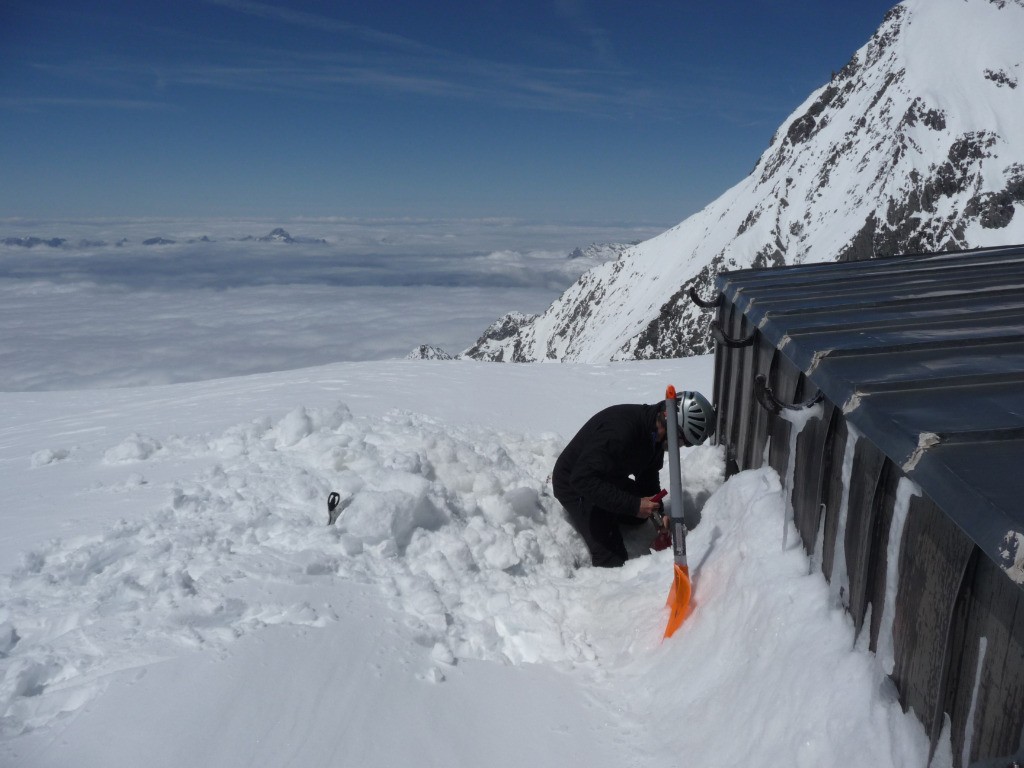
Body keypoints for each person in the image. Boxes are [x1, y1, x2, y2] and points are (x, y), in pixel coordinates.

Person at [552, 391, 715, 568]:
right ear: (669, 420)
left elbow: (648, 476)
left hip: (606, 477)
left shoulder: (656, 435)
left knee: (638, 517)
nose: (679, 447)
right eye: (681, 440)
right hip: (575, 485)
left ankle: (613, 512)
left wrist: (658, 513)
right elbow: (582, 478)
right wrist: (633, 505)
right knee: (612, 558)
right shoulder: (621, 432)